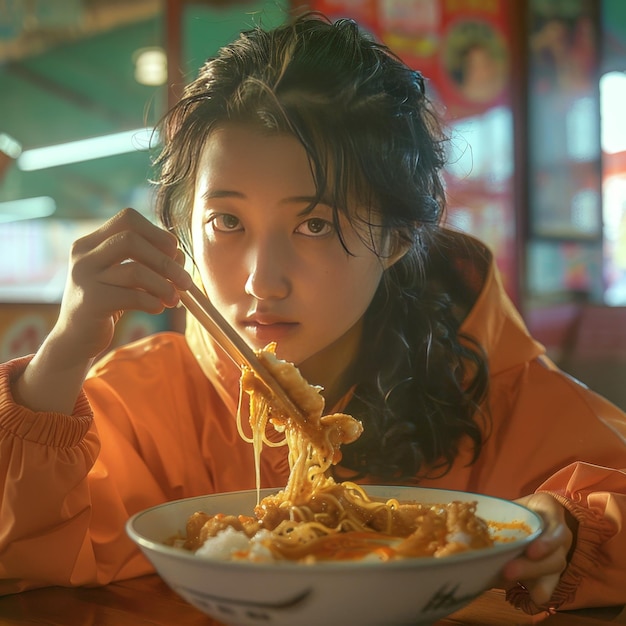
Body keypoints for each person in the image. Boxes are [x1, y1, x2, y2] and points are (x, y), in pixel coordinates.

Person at [0, 12, 624, 616]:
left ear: (398, 236)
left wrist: (569, 531)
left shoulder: (494, 385)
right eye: (227, 222)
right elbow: (24, 558)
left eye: (315, 223)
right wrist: (59, 361)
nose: (261, 280)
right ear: (183, 228)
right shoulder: (143, 400)